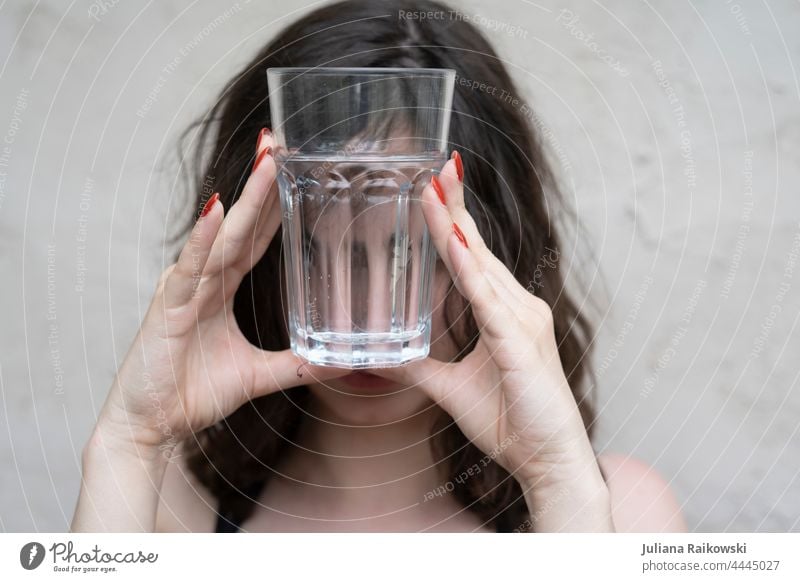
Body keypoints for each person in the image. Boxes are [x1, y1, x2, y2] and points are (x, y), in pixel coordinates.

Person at [70, 0, 686, 533]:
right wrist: (131, 442)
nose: (358, 318)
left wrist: (558, 483)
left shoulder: (618, 513)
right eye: (318, 251)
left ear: (493, 250)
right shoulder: (167, 510)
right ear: (256, 259)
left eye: (410, 254)